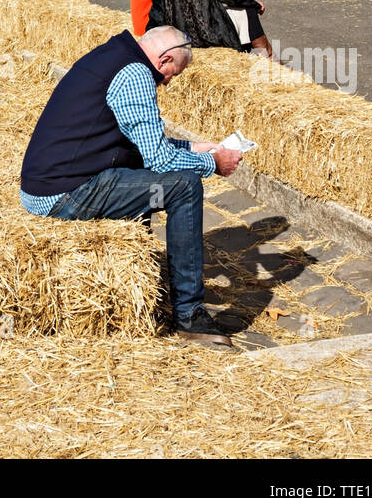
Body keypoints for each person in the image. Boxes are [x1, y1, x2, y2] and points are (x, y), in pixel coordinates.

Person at [20, 23, 243, 348]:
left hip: (53, 179)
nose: (166, 82)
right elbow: (159, 161)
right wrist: (214, 164)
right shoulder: (135, 76)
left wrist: (194, 148)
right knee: (185, 186)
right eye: (172, 75)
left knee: (148, 178)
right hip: (64, 192)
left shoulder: (116, 55)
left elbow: (141, 145)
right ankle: (189, 315)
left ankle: (141, 289)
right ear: (165, 60)